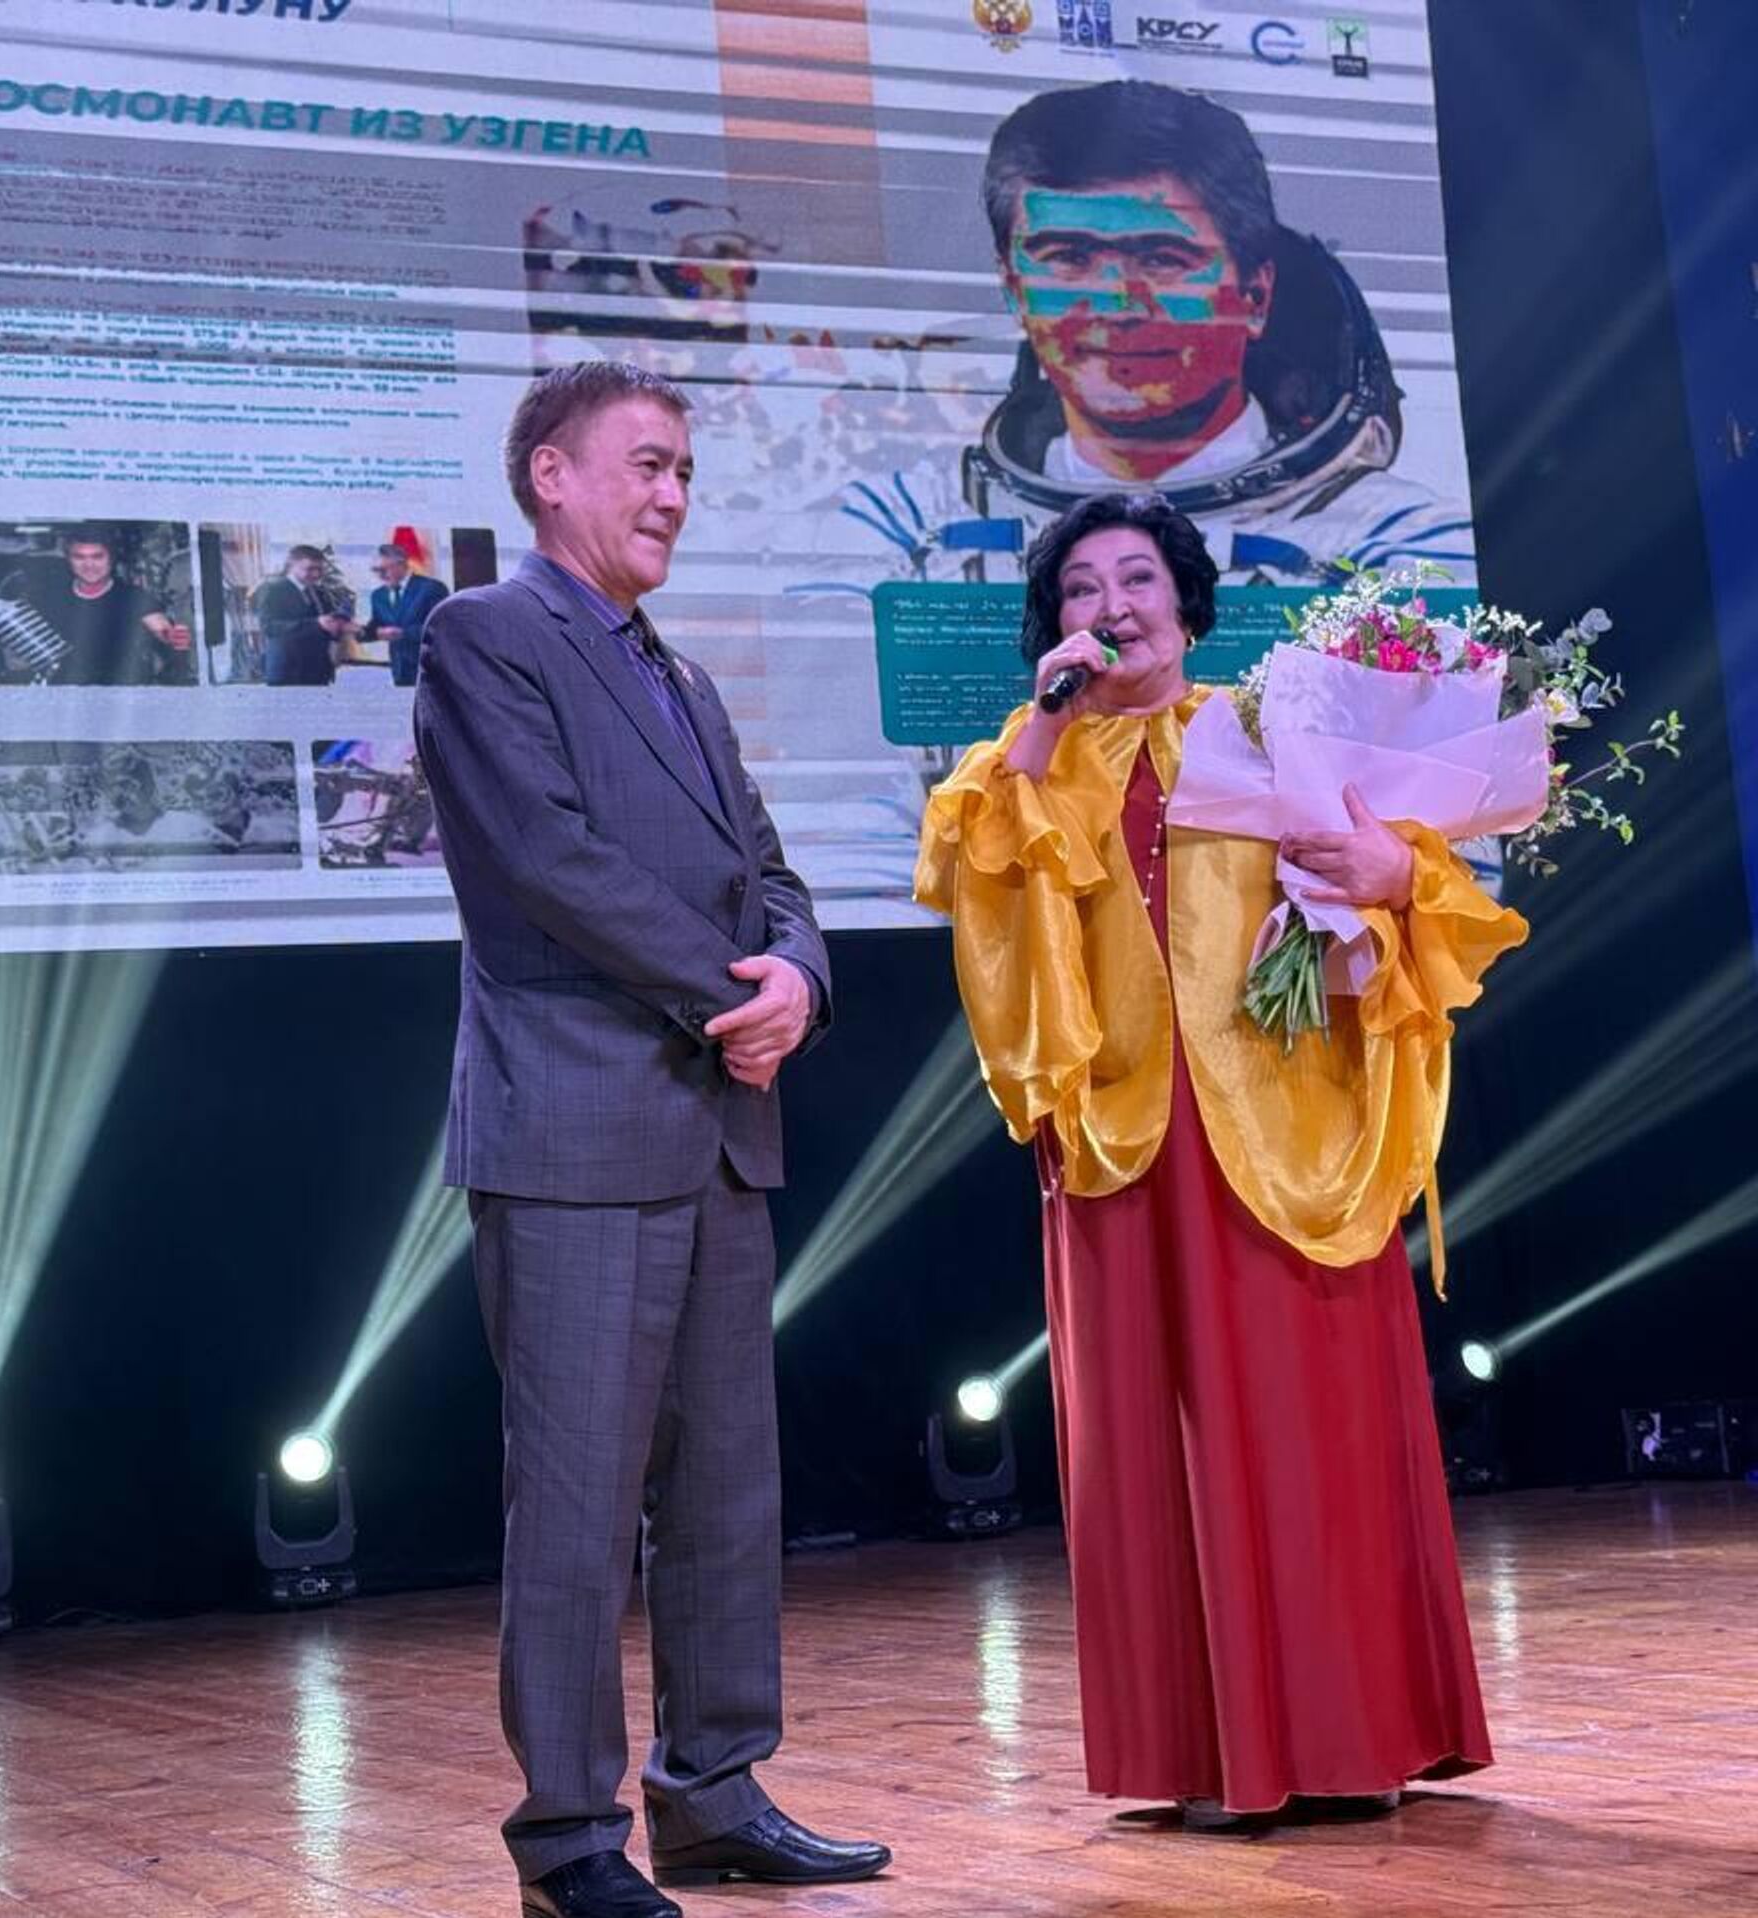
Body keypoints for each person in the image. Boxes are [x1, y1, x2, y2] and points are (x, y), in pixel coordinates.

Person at [916, 492, 1525, 1828]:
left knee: (1313, 1429)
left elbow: (1421, 881)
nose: (1113, 605)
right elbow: (974, 883)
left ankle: (1353, 1736)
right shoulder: (1025, 762)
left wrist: (1388, 870)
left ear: (1189, 605)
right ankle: (1204, 1753)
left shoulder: (1264, 727)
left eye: (1138, 578)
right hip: (1125, 1138)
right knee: (1156, 1440)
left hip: (1287, 1131)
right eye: (1082, 587)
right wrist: (1044, 723)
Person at [413, 361, 889, 1918]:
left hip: (716, 1129)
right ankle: (568, 1838)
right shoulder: (486, 634)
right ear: (550, 473)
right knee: (572, 1508)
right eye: (646, 462)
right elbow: (546, 862)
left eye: (685, 468)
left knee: (726, 1494)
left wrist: (800, 980)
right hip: (573, 1129)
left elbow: (772, 872)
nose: (674, 493)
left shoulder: (681, 678)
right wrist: (730, 995)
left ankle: (715, 1792)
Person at [848, 79, 1475, 585]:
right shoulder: (906, 528)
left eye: (1162, 258)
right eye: (1069, 256)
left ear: (1255, 294)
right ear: (1014, 289)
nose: (1118, 304)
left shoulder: (1403, 541)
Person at [0, 526, 194, 685]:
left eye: (97, 556)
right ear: (68, 559)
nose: (88, 565)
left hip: (118, 693)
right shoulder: (48, 595)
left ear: (111, 558)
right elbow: (11, 636)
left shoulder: (132, 597)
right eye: (79, 557)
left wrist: (172, 636)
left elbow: (160, 627)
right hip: (62, 692)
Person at [252, 545, 353, 686]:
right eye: (310, 569)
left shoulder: (319, 593)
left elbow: (324, 625)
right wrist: (316, 623)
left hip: (318, 672)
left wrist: (337, 627)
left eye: (320, 569)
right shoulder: (272, 588)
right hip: (288, 671)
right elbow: (269, 628)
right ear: (291, 565)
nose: (316, 574)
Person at [363, 543, 449, 687]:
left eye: (384, 569)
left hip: (430, 669)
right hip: (399, 671)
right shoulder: (378, 596)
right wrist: (357, 630)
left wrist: (404, 633)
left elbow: (442, 628)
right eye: (375, 570)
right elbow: (375, 626)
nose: (380, 576)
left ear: (402, 564)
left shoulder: (431, 588)